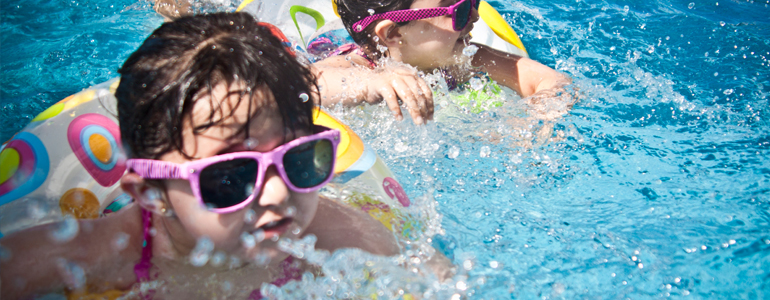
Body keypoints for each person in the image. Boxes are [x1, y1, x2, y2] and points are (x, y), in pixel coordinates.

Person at [0, 12, 399, 299]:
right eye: (231, 178)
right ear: (150, 193)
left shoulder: (334, 235)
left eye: (298, 159)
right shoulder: (99, 255)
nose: (278, 195)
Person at [312, 0, 572, 124]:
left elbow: (552, 80)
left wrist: (536, 118)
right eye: (457, 10)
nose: (474, 17)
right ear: (393, 33)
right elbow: (302, 85)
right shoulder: (358, 67)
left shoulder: (466, 57)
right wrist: (371, 83)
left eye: (473, 2)